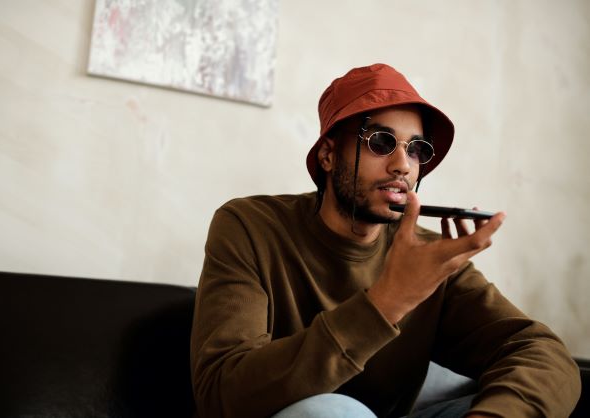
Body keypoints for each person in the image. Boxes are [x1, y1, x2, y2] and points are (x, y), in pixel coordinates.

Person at [189, 63, 581, 418]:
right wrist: (391, 299)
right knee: (331, 412)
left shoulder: (425, 255)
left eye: (417, 150)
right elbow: (223, 395)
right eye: (380, 142)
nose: (402, 165)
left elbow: (542, 353)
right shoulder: (249, 226)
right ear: (328, 155)